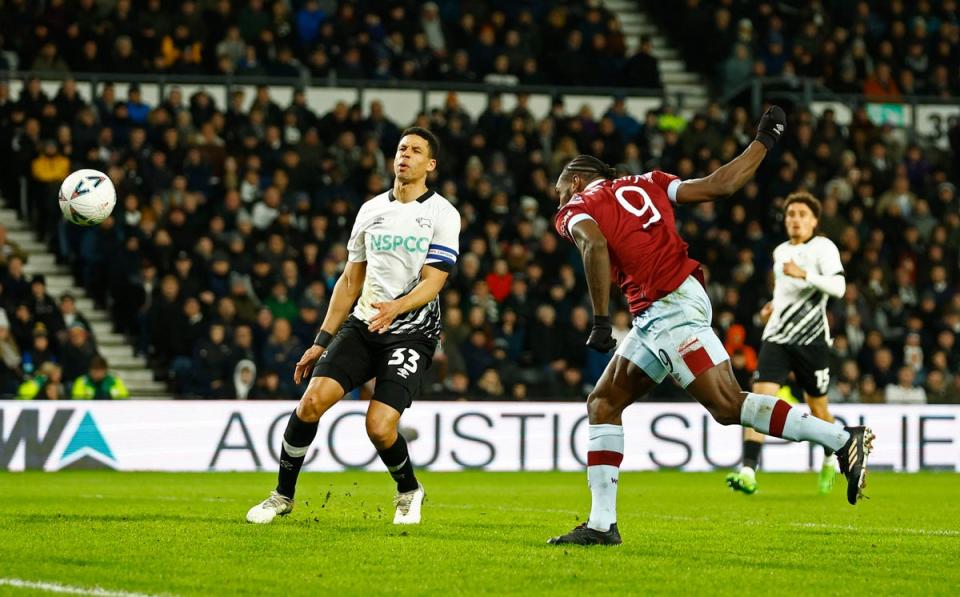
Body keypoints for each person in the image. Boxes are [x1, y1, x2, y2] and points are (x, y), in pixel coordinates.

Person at [547, 106, 874, 546]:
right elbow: (723, 184)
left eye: (561, 189)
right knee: (603, 403)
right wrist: (765, 139)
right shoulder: (649, 182)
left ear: (578, 180)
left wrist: (602, 319)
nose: (559, 197)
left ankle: (840, 438)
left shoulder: (577, 206)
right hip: (664, 307)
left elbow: (594, 244)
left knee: (725, 405)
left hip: (667, 307)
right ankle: (602, 525)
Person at [247, 127, 460, 526]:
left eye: (415, 151)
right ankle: (282, 496)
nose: (405, 156)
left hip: (412, 331)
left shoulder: (443, 214)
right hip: (364, 325)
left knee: (379, 427)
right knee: (310, 403)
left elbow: (434, 282)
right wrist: (321, 340)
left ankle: (409, 490)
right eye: (401, 149)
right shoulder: (371, 210)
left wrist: (396, 307)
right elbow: (349, 280)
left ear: (430, 165)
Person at [726, 192, 847, 496]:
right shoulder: (780, 251)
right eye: (791, 213)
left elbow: (839, 287)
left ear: (814, 221)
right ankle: (749, 471)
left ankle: (831, 454)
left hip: (812, 341)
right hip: (777, 338)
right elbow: (787, 292)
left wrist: (805, 273)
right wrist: (771, 307)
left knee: (819, 408)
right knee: (759, 401)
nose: (795, 219)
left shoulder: (823, 247)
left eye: (802, 214)